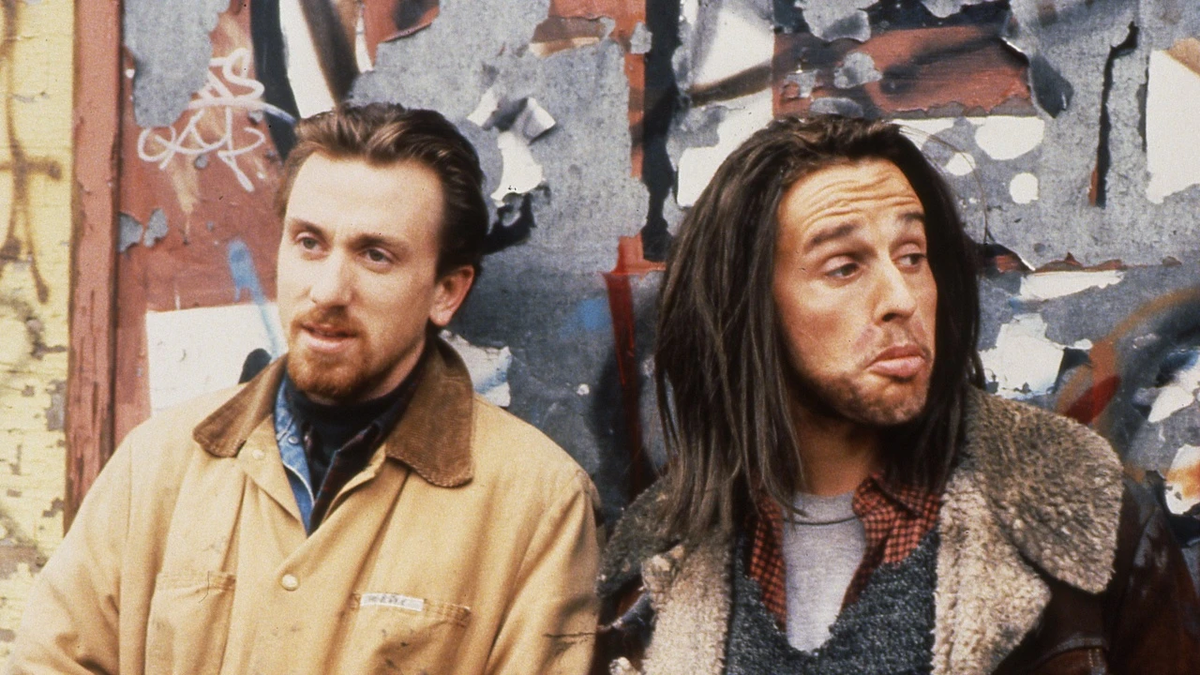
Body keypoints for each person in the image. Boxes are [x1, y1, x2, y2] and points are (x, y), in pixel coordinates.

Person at [595, 115, 1200, 674]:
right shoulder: (655, 567)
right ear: (748, 306)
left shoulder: (1089, 518)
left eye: (912, 256)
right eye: (844, 267)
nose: (902, 298)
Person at [10, 104, 601, 674]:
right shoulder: (158, 466)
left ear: (446, 291)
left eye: (375, 255)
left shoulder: (535, 505)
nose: (328, 290)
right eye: (310, 243)